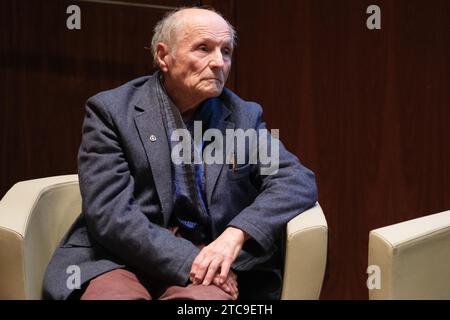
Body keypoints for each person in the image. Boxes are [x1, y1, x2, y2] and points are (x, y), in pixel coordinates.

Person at [43, 6, 317, 300]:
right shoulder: (111, 111)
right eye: (203, 49)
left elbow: (296, 180)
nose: (218, 63)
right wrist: (189, 261)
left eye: (226, 51)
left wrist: (235, 234)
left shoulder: (242, 116)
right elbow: (110, 215)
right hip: (119, 258)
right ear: (164, 56)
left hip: (210, 258)